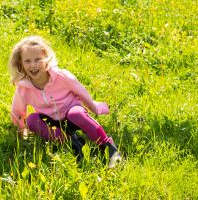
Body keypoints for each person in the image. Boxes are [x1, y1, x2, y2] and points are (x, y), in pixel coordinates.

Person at [8, 35, 121, 168]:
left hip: (71, 114)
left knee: (76, 114)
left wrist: (95, 108)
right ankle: (72, 143)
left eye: (37, 59)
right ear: (20, 63)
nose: (33, 65)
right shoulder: (24, 87)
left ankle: (108, 147)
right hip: (52, 123)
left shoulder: (62, 76)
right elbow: (17, 111)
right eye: (27, 61)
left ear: (45, 58)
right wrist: (21, 130)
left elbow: (82, 93)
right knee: (32, 120)